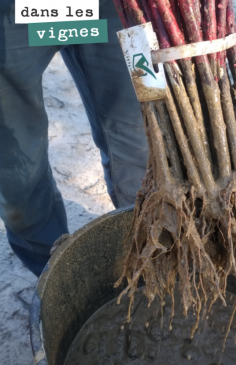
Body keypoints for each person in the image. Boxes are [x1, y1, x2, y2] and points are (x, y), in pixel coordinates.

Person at [0, 0, 148, 277]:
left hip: (119, 6)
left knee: (142, 139)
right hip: (11, 12)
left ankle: (146, 249)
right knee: (14, 166)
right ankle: (58, 281)